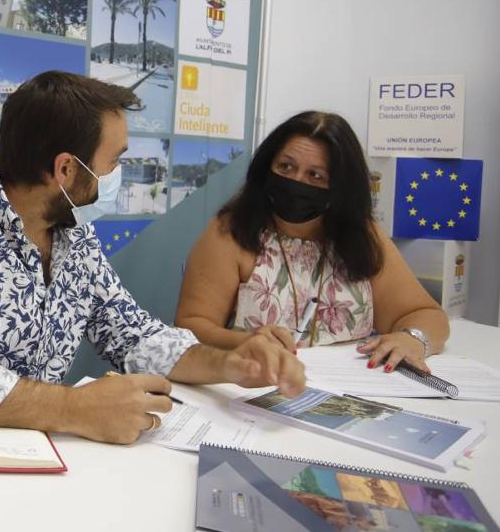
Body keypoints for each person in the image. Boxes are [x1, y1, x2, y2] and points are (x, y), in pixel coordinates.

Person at [0, 71, 305, 445]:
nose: (116, 176)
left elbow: (132, 335)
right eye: (113, 162)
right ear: (66, 170)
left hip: (43, 461)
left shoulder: (75, 235)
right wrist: (72, 408)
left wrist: (229, 363)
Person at [175, 111, 449, 374]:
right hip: (255, 385)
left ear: (341, 186)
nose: (296, 182)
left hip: (351, 391)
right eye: (286, 167)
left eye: (315, 175)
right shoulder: (231, 231)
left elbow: (427, 315)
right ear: (266, 167)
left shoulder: (363, 236)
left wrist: (412, 339)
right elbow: (191, 327)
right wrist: (245, 342)